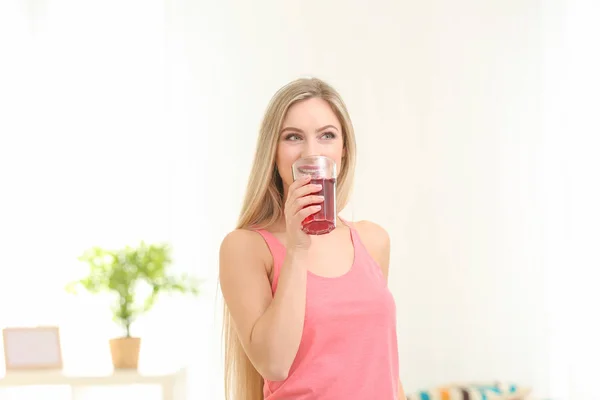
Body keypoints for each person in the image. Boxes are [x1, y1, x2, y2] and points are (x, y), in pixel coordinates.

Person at [219, 77, 405, 400]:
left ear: (343, 150)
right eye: (293, 137)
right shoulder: (245, 248)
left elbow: (384, 369)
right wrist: (297, 247)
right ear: (273, 153)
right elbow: (274, 364)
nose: (311, 152)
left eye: (327, 136)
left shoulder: (373, 241)